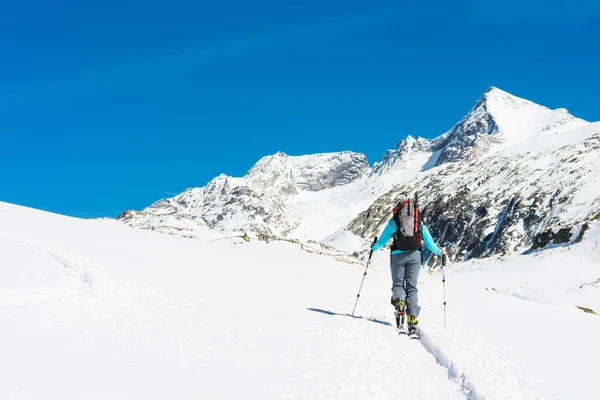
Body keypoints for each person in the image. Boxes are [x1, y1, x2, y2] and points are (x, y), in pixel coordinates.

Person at [371, 197, 446, 337]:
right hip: (415, 256)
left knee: (398, 285)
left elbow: (382, 240)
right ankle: (412, 320)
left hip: (397, 256)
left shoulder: (394, 221)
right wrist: (439, 251)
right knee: (412, 287)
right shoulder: (418, 223)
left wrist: (373, 247)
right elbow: (429, 243)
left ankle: (400, 307)